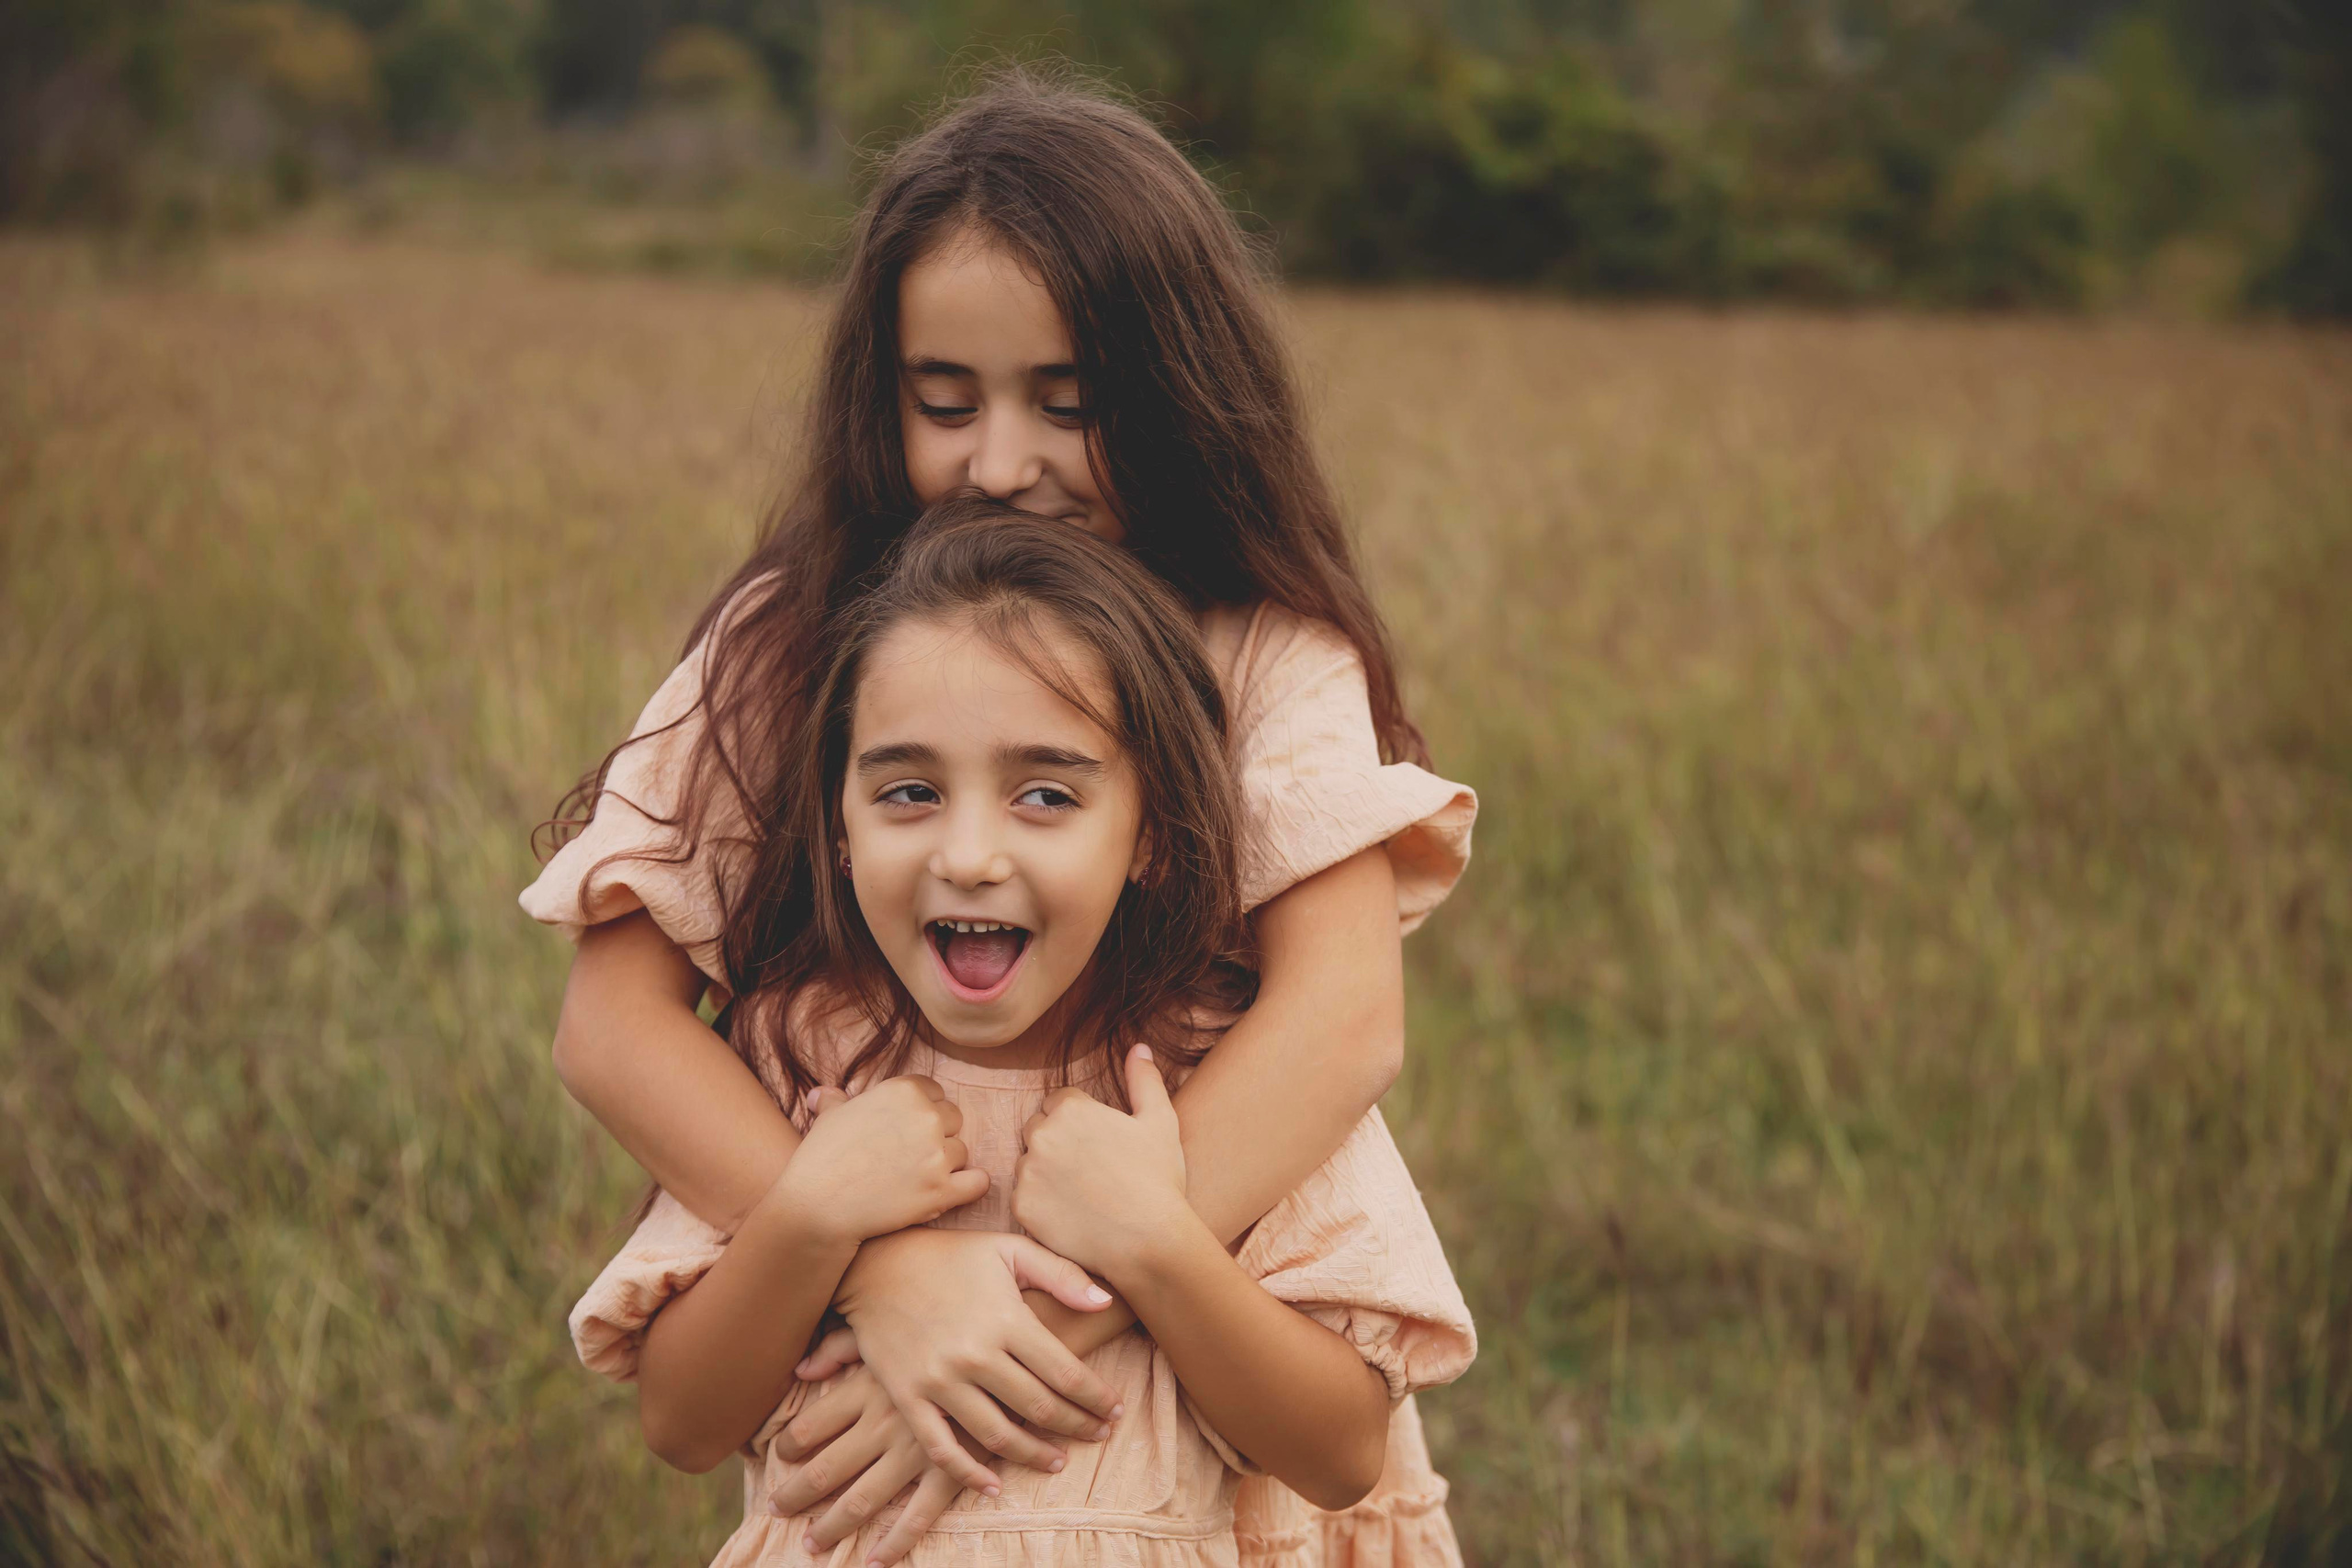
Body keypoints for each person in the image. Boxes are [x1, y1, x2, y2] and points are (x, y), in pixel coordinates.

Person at [522, 66, 1479, 1564]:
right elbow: (614, 1022)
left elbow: (1343, 1016)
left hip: (1195, 1379)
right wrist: (891, 1269)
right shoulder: (799, 641)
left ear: (1176, 390)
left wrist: (1033, 1302)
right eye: (945, 401)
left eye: (1070, 403)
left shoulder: (1263, 649)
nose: (1001, 465)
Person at [570, 506, 1475, 1566]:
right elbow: (681, 1424)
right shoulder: (803, 1059)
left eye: (1045, 795)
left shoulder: (1219, 1073)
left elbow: (1340, 1452)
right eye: (909, 791)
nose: (968, 855)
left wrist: (1158, 1247)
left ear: (1151, 838)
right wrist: (809, 1219)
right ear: (838, 827)